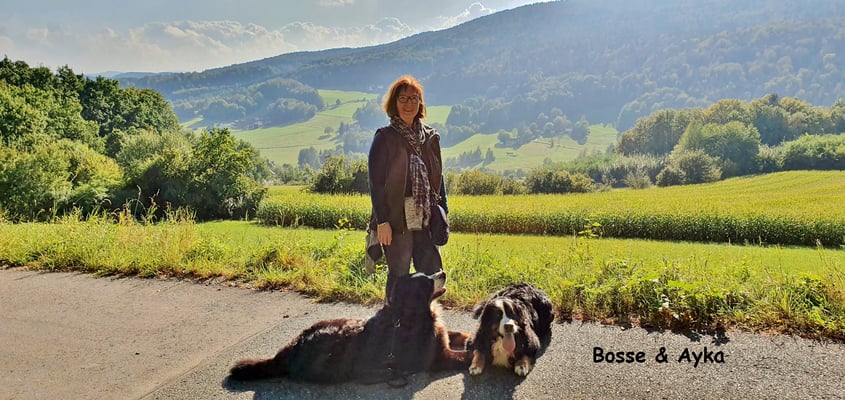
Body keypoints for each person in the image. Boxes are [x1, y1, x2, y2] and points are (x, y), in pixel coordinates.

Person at [367, 75, 448, 301]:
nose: (408, 103)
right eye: (403, 98)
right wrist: (382, 221)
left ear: (420, 103)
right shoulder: (384, 138)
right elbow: (375, 183)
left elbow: (438, 177)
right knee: (399, 275)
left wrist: (444, 211)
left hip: (426, 216)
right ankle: (393, 318)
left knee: (431, 274)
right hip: (396, 219)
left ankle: (426, 318)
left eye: (414, 98)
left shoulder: (430, 137)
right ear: (394, 102)